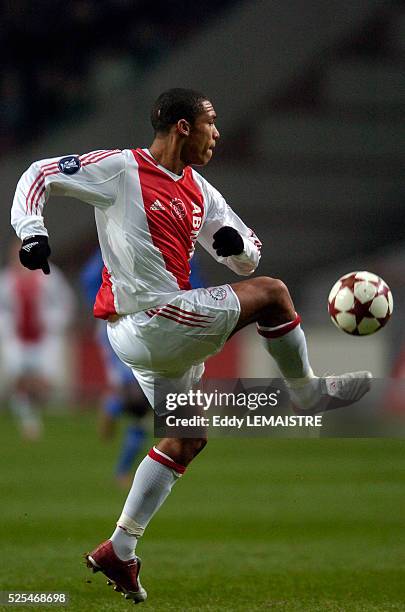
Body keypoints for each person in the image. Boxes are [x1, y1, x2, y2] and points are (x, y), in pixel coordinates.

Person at [11, 88, 371, 603]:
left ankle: (121, 549)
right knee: (274, 294)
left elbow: (248, 251)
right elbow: (39, 174)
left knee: (187, 437)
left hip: (152, 333)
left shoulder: (201, 190)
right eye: (210, 122)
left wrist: (238, 249)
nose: (217, 133)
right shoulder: (119, 169)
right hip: (152, 318)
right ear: (183, 126)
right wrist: (31, 232)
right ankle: (308, 394)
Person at [80, 248, 150, 487]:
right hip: (120, 326)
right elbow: (89, 278)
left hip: (139, 324)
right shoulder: (113, 244)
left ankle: (123, 470)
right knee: (139, 398)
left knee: (142, 401)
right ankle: (114, 405)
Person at [0, 239, 74, 440]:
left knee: (46, 381)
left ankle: (45, 413)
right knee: (18, 379)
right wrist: (6, 327)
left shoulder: (49, 276)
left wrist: (53, 322)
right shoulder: (7, 280)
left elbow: (65, 303)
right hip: (17, 339)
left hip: (45, 339)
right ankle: (29, 421)